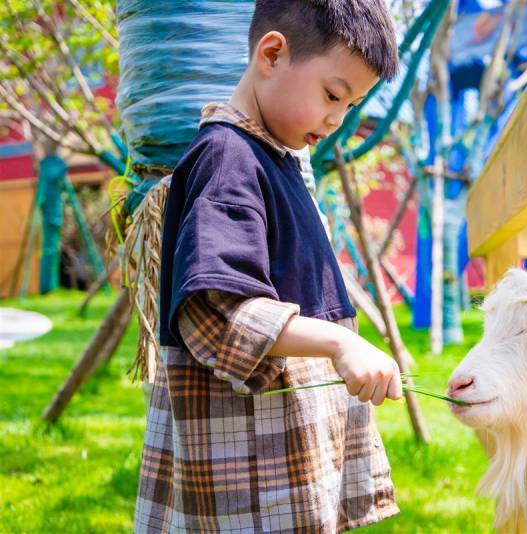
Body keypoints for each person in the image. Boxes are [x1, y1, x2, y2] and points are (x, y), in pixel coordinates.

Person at [134, 1, 403, 531]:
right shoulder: (226, 158)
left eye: (351, 105)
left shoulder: (271, 159)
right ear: (273, 53)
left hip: (280, 467)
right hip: (251, 483)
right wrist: (340, 342)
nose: (336, 120)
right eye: (332, 95)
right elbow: (220, 309)